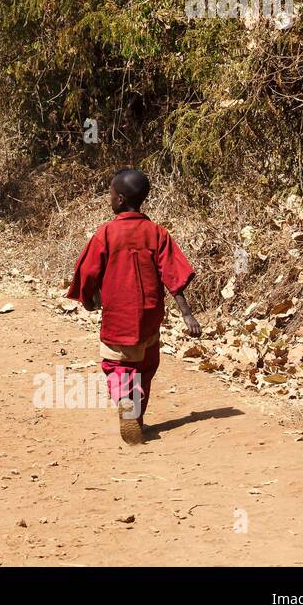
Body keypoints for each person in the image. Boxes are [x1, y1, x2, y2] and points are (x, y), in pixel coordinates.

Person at [66, 168, 200, 445]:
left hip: (119, 313)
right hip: (150, 312)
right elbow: (173, 274)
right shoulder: (157, 233)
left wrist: (88, 299)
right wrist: (187, 313)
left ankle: (126, 402)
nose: (110, 198)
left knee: (117, 363)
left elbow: (89, 270)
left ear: (121, 200)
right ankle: (136, 419)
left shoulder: (106, 233)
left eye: (111, 194)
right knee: (145, 364)